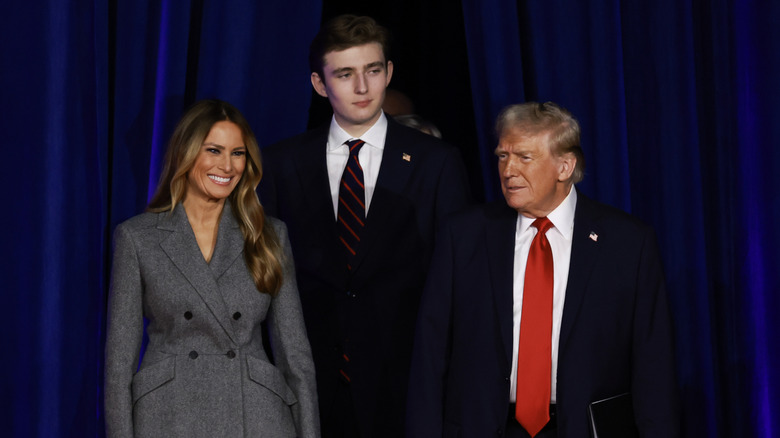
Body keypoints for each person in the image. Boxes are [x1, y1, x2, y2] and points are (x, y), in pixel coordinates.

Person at [406, 102, 679, 437]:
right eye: (502, 156)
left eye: (524, 157)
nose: (508, 170)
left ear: (564, 166)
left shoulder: (627, 244)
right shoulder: (463, 236)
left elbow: (654, 366)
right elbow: (430, 355)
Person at [258, 14, 471, 438]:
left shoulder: (436, 162)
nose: (362, 87)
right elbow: (264, 274)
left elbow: (457, 279)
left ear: (388, 72)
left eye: (373, 71)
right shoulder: (281, 163)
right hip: (309, 383)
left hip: (405, 382)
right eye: (345, 73)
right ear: (320, 84)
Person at [104, 100, 319, 438]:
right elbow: (119, 365)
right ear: (186, 153)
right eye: (214, 150)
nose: (227, 165)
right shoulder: (137, 238)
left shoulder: (269, 234)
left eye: (238, 153)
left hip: (257, 415)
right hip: (169, 415)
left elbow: (296, 357)